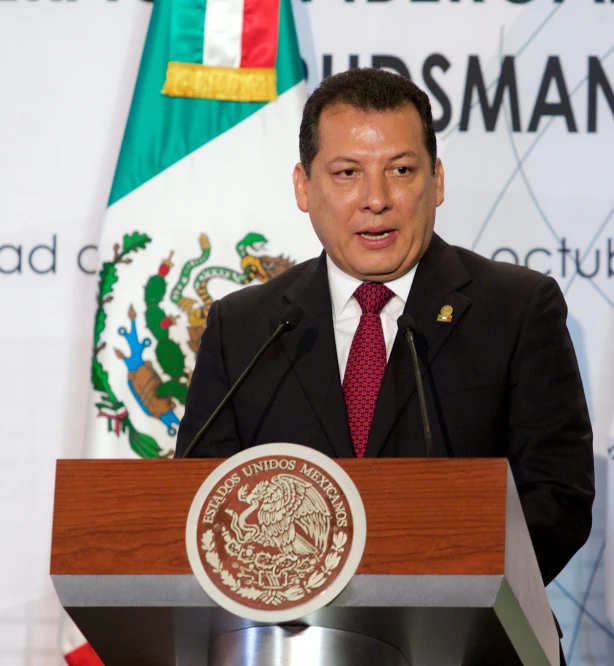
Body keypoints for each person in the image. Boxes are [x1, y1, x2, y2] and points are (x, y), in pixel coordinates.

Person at [176, 68, 594, 599]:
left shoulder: (516, 308)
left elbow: (557, 497)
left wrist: (437, 586)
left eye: (400, 169)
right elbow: (197, 501)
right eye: (347, 173)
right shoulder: (243, 327)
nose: (376, 198)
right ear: (304, 187)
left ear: (437, 180)